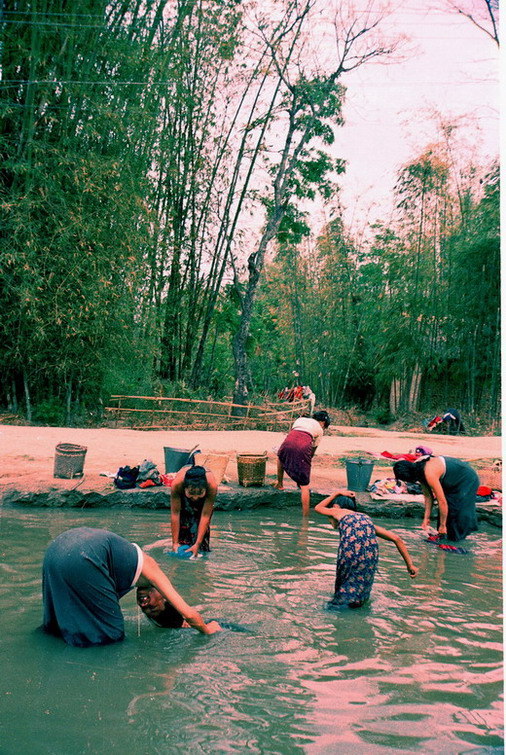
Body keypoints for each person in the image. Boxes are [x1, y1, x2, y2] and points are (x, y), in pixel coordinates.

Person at [42, 526, 221, 647]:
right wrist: (206, 630)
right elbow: (188, 613)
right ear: (165, 597)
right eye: (154, 607)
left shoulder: (125, 570)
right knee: (112, 633)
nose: (145, 605)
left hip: (57, 548)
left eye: (146, 610)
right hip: (80, 555)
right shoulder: (155, 573)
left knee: (58, 623)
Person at [314, 492, 418, 609]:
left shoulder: (338, 511)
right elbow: (396, 538)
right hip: (370, 555)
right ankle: (355, 603)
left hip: (351, 551)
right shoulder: (366, 520)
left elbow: (318, 508)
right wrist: (410, 565)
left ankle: (334, 607)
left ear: (336, 507)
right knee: (360, 581)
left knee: (344, 579)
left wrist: (336, 493)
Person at [393, 455, 479, 541]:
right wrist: (426, 518)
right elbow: (428, 497)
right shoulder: (418, 470)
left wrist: (442, 526)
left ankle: (458, 539)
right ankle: (446, 537)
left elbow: (442, 502)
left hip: (466, 479)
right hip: (451, 481)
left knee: (455, 510)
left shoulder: (429, 473)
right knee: (446, 517)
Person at [273, 410, 331, 514]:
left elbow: (295, 434)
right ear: (322, 423)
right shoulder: (319, 429)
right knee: (305, 484)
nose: (323, 428)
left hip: (288, 442)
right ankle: (305, 519)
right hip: (303, 446)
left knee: (281, 457)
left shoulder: (300, 420)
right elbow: (311, 452)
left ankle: (280, 484)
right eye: (324, 426)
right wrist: (302, 471)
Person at [171, 465, 217, 556]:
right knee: (184, 525)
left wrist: (197, 544)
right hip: (183, 500)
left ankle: (199, 550)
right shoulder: (177, 485)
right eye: (191, 493)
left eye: (199, 493)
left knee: (202, 541)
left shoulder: (211, 486)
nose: (195, 498)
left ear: (205, 489)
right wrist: (175, 543)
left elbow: (205, 515)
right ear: (185, 488)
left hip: (203, 504)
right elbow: (175, 513)